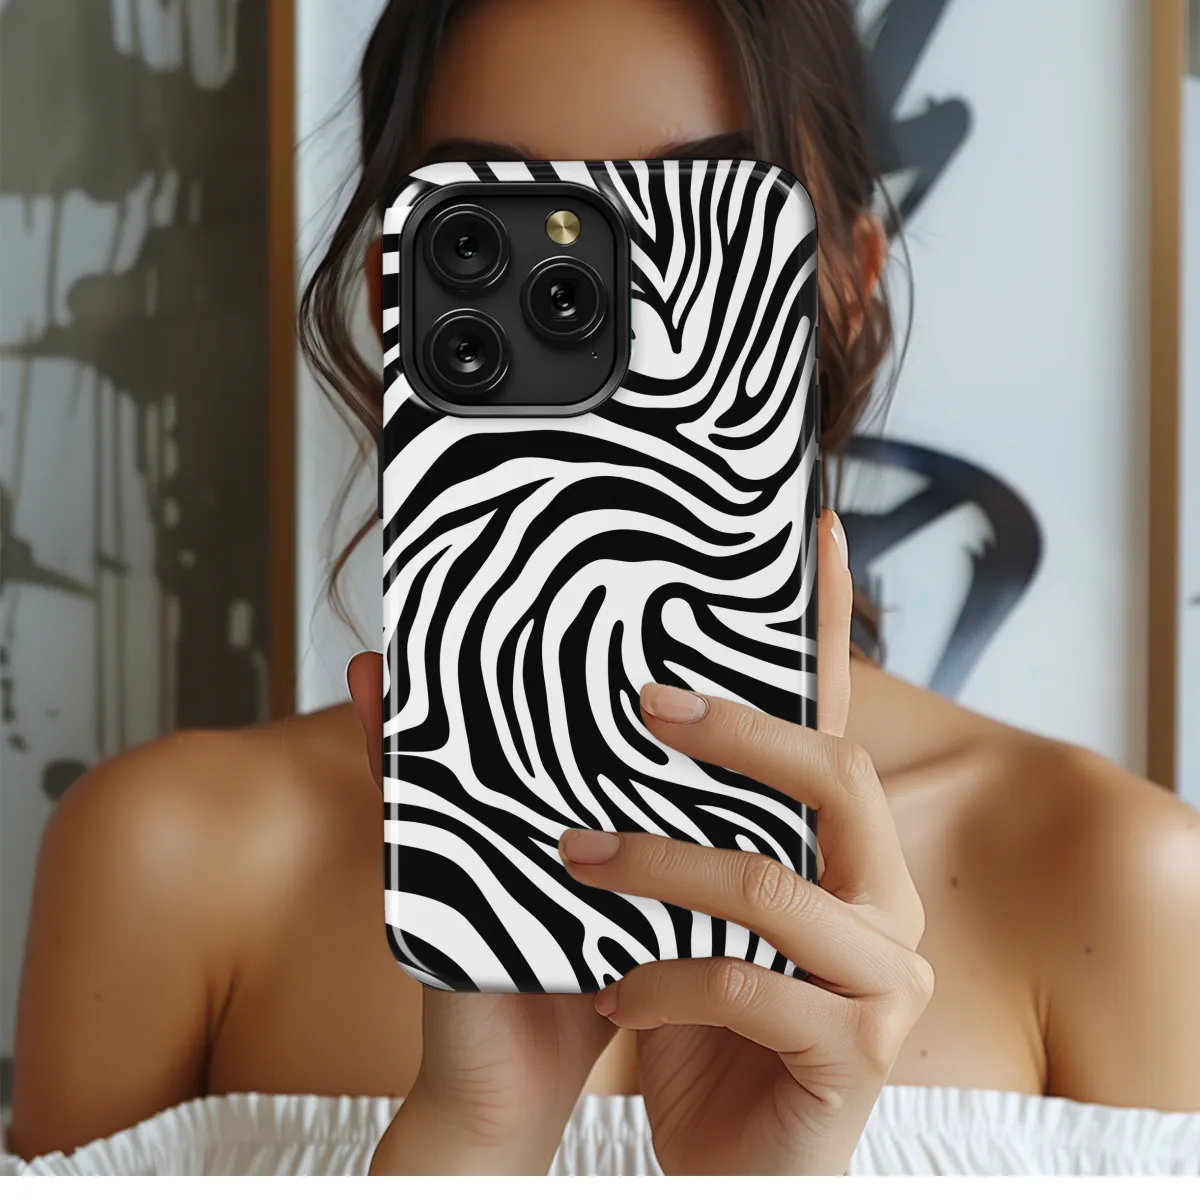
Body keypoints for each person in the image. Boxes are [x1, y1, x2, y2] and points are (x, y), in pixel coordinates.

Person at [6, 0, 1200, 1177]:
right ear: (394, 294)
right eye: (494, 228)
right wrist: (475, 1140)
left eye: (698, 214)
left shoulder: (1115, 882)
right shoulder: (169, 862)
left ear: (845, 286)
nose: (613, 311)